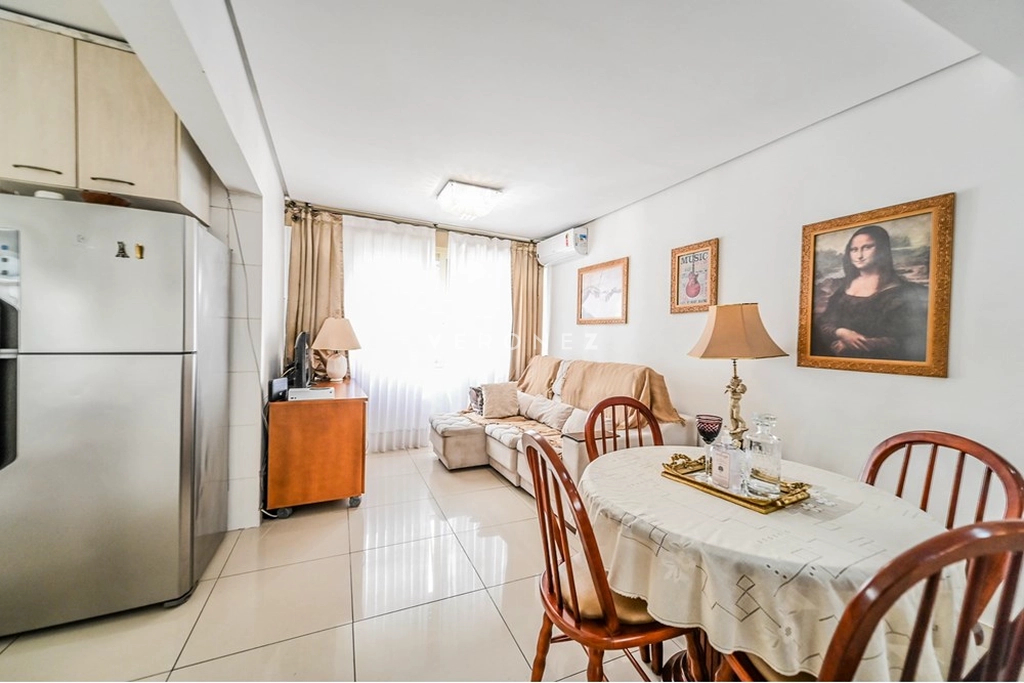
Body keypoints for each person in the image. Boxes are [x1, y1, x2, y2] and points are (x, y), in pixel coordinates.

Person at [812, 224, 928, 361]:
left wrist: (855, 344)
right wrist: (841, 332)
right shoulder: (843, 286)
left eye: (867, 247)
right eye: (854, 250)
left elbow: (908, 339)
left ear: (882, 250)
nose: (859, 256)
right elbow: (823, 323)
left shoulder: (901, 291)